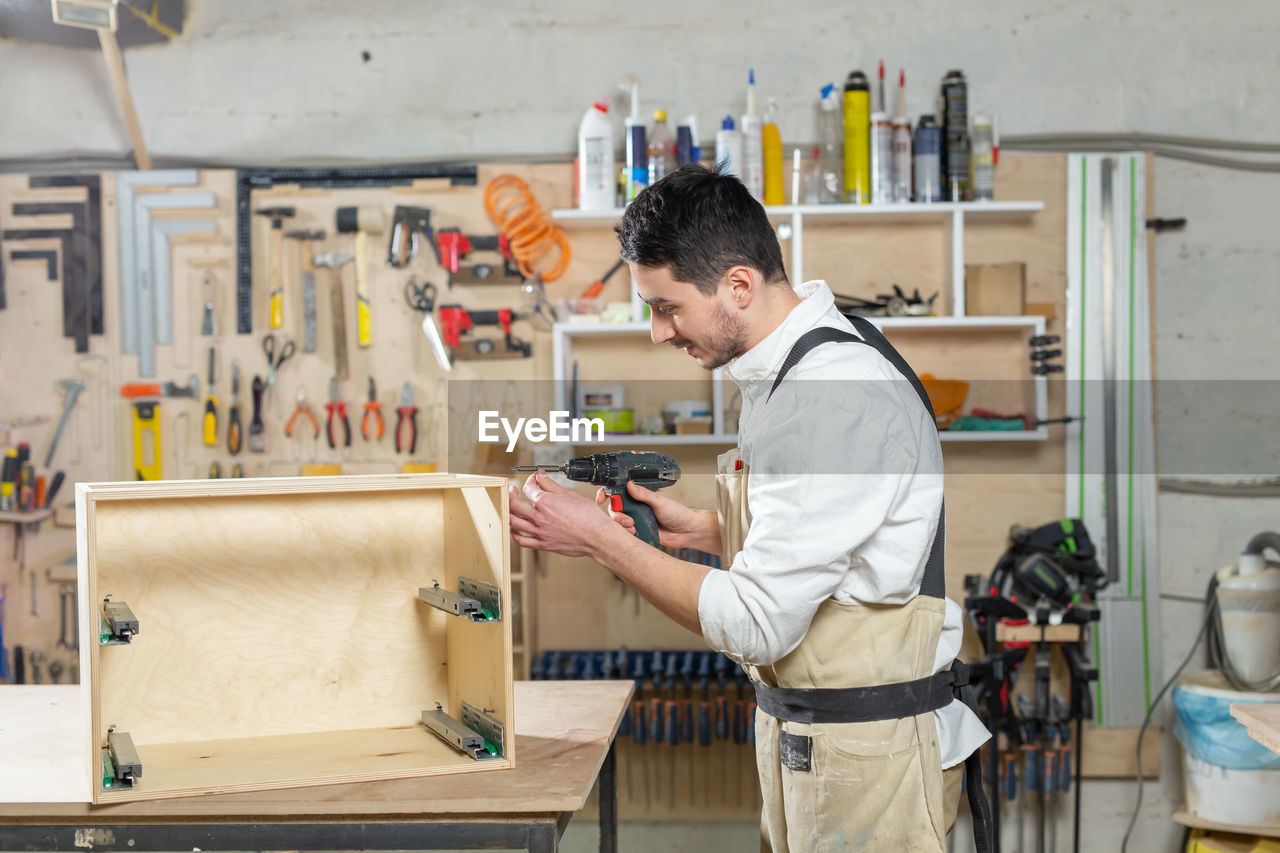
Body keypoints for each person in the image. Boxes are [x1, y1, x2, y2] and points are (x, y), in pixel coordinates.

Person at [509, 163, 991, 852]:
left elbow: (760, 621)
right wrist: (708, 529)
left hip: (868, 758)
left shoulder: (830, 395)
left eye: (666, 305)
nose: (656, 331)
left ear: (738, 284)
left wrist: (603, 541)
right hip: (816, 734)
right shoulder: (783, 370)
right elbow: (833, 532)